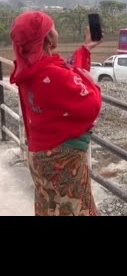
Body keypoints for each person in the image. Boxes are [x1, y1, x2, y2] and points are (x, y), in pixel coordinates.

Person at [9, 11, 104, 216]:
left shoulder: (30, 70)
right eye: (53, 27)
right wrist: (92, 84)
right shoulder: (50, 74)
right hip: (61, 160)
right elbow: (91, 104)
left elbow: (67, 74)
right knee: (73, 210)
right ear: (48, 38)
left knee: (51, 208)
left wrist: (85, 48)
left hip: (39, 156)